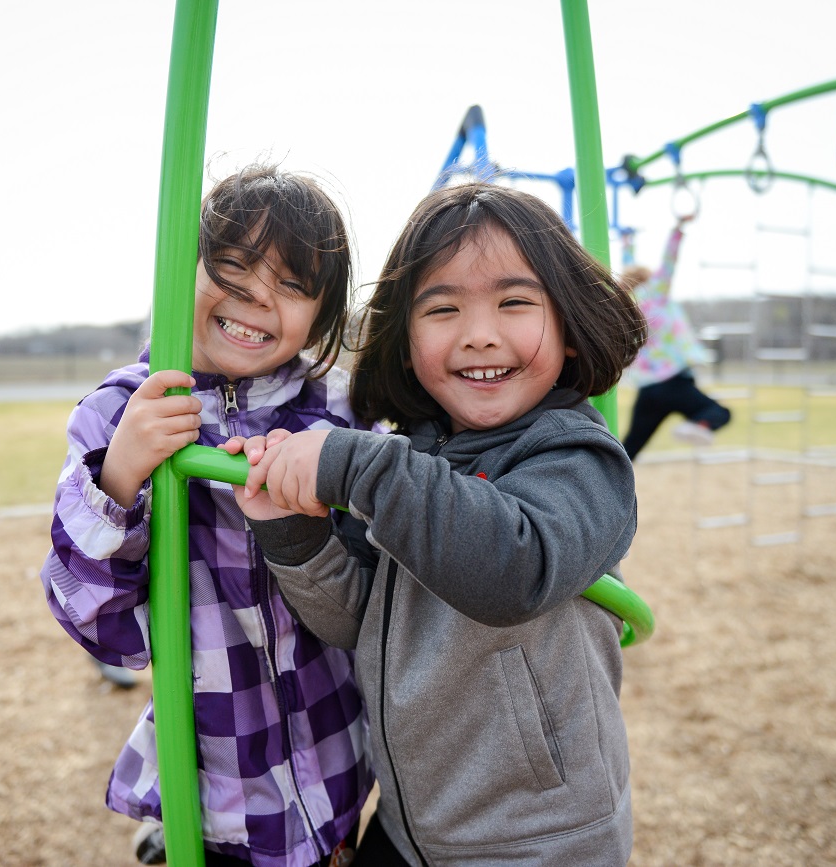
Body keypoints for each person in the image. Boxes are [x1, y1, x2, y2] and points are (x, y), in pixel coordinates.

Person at [222, 182, 646, 866]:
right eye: (444, 308)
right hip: (407, 825)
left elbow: (515, 568)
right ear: (407, 338)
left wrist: (363, 465)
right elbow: (360, 616)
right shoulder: (416, 456)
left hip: (537, 843)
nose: (479, 332)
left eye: (514, 302)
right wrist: (294, 534)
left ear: (567, 327)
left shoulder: (577, 458)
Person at [39, 164, 373, 867]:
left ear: (322, 312)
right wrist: (122, 476)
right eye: (232, 268)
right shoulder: (124, 412)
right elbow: (107, 631)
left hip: (336, 761)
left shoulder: (338, 408)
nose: (256, 299)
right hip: (218, 796)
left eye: (292, 285)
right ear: (180, 269)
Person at [618, 217, 731, 460]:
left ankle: (603, 481)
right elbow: (669, 262)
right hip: (674, 381)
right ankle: (697, 425)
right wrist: (677, 231)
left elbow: (628, 272)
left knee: (630, 448)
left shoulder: (629, 306)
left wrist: (627, 244)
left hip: (648, 388)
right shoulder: (657, 293)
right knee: (718, 412)